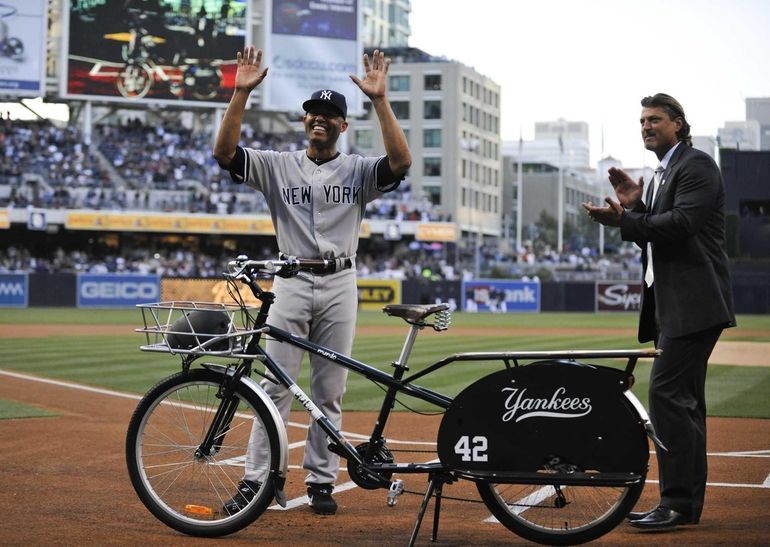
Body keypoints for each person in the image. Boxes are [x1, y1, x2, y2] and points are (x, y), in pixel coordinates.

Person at [213, 46, 411, 515]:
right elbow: (224, 152)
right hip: (291, 279)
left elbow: (400, 163)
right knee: (272, 387)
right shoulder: (277, 165)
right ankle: (256, 479)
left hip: (341, 280)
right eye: (312, 113)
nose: (318, 119)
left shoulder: (360, 170)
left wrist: (380, 100)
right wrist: (240, 92)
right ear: (305, 122)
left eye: (329, 114)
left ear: (343, 126)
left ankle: (321, 479)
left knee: (329, 389)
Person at [582, 93, 735, 531]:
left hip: (695, 304)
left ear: (679, 125)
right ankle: (684, 504)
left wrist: (625, 221)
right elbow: (660, 228)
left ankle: (676, 501)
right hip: (676, 304)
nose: (647, 126)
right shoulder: (661, 173)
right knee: (684, 403)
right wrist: (637, 206)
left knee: (667, 397)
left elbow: (682, 227)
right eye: (643, 120)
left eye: (655, 120)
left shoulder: (697, 165)